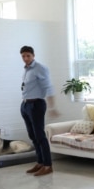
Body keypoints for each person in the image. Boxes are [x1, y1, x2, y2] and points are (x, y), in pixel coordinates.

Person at [20, 45, 58, 176]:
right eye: (23, 56)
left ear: (33, 55)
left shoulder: (40, 68)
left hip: (36, 105)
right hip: (25, 105)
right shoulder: (26, 69)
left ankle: (48, 165)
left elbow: (48, 87)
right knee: (32, 135)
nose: (25, 58)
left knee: (40, 136)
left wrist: (52, 106)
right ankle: (40, 162)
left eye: (28, 56)